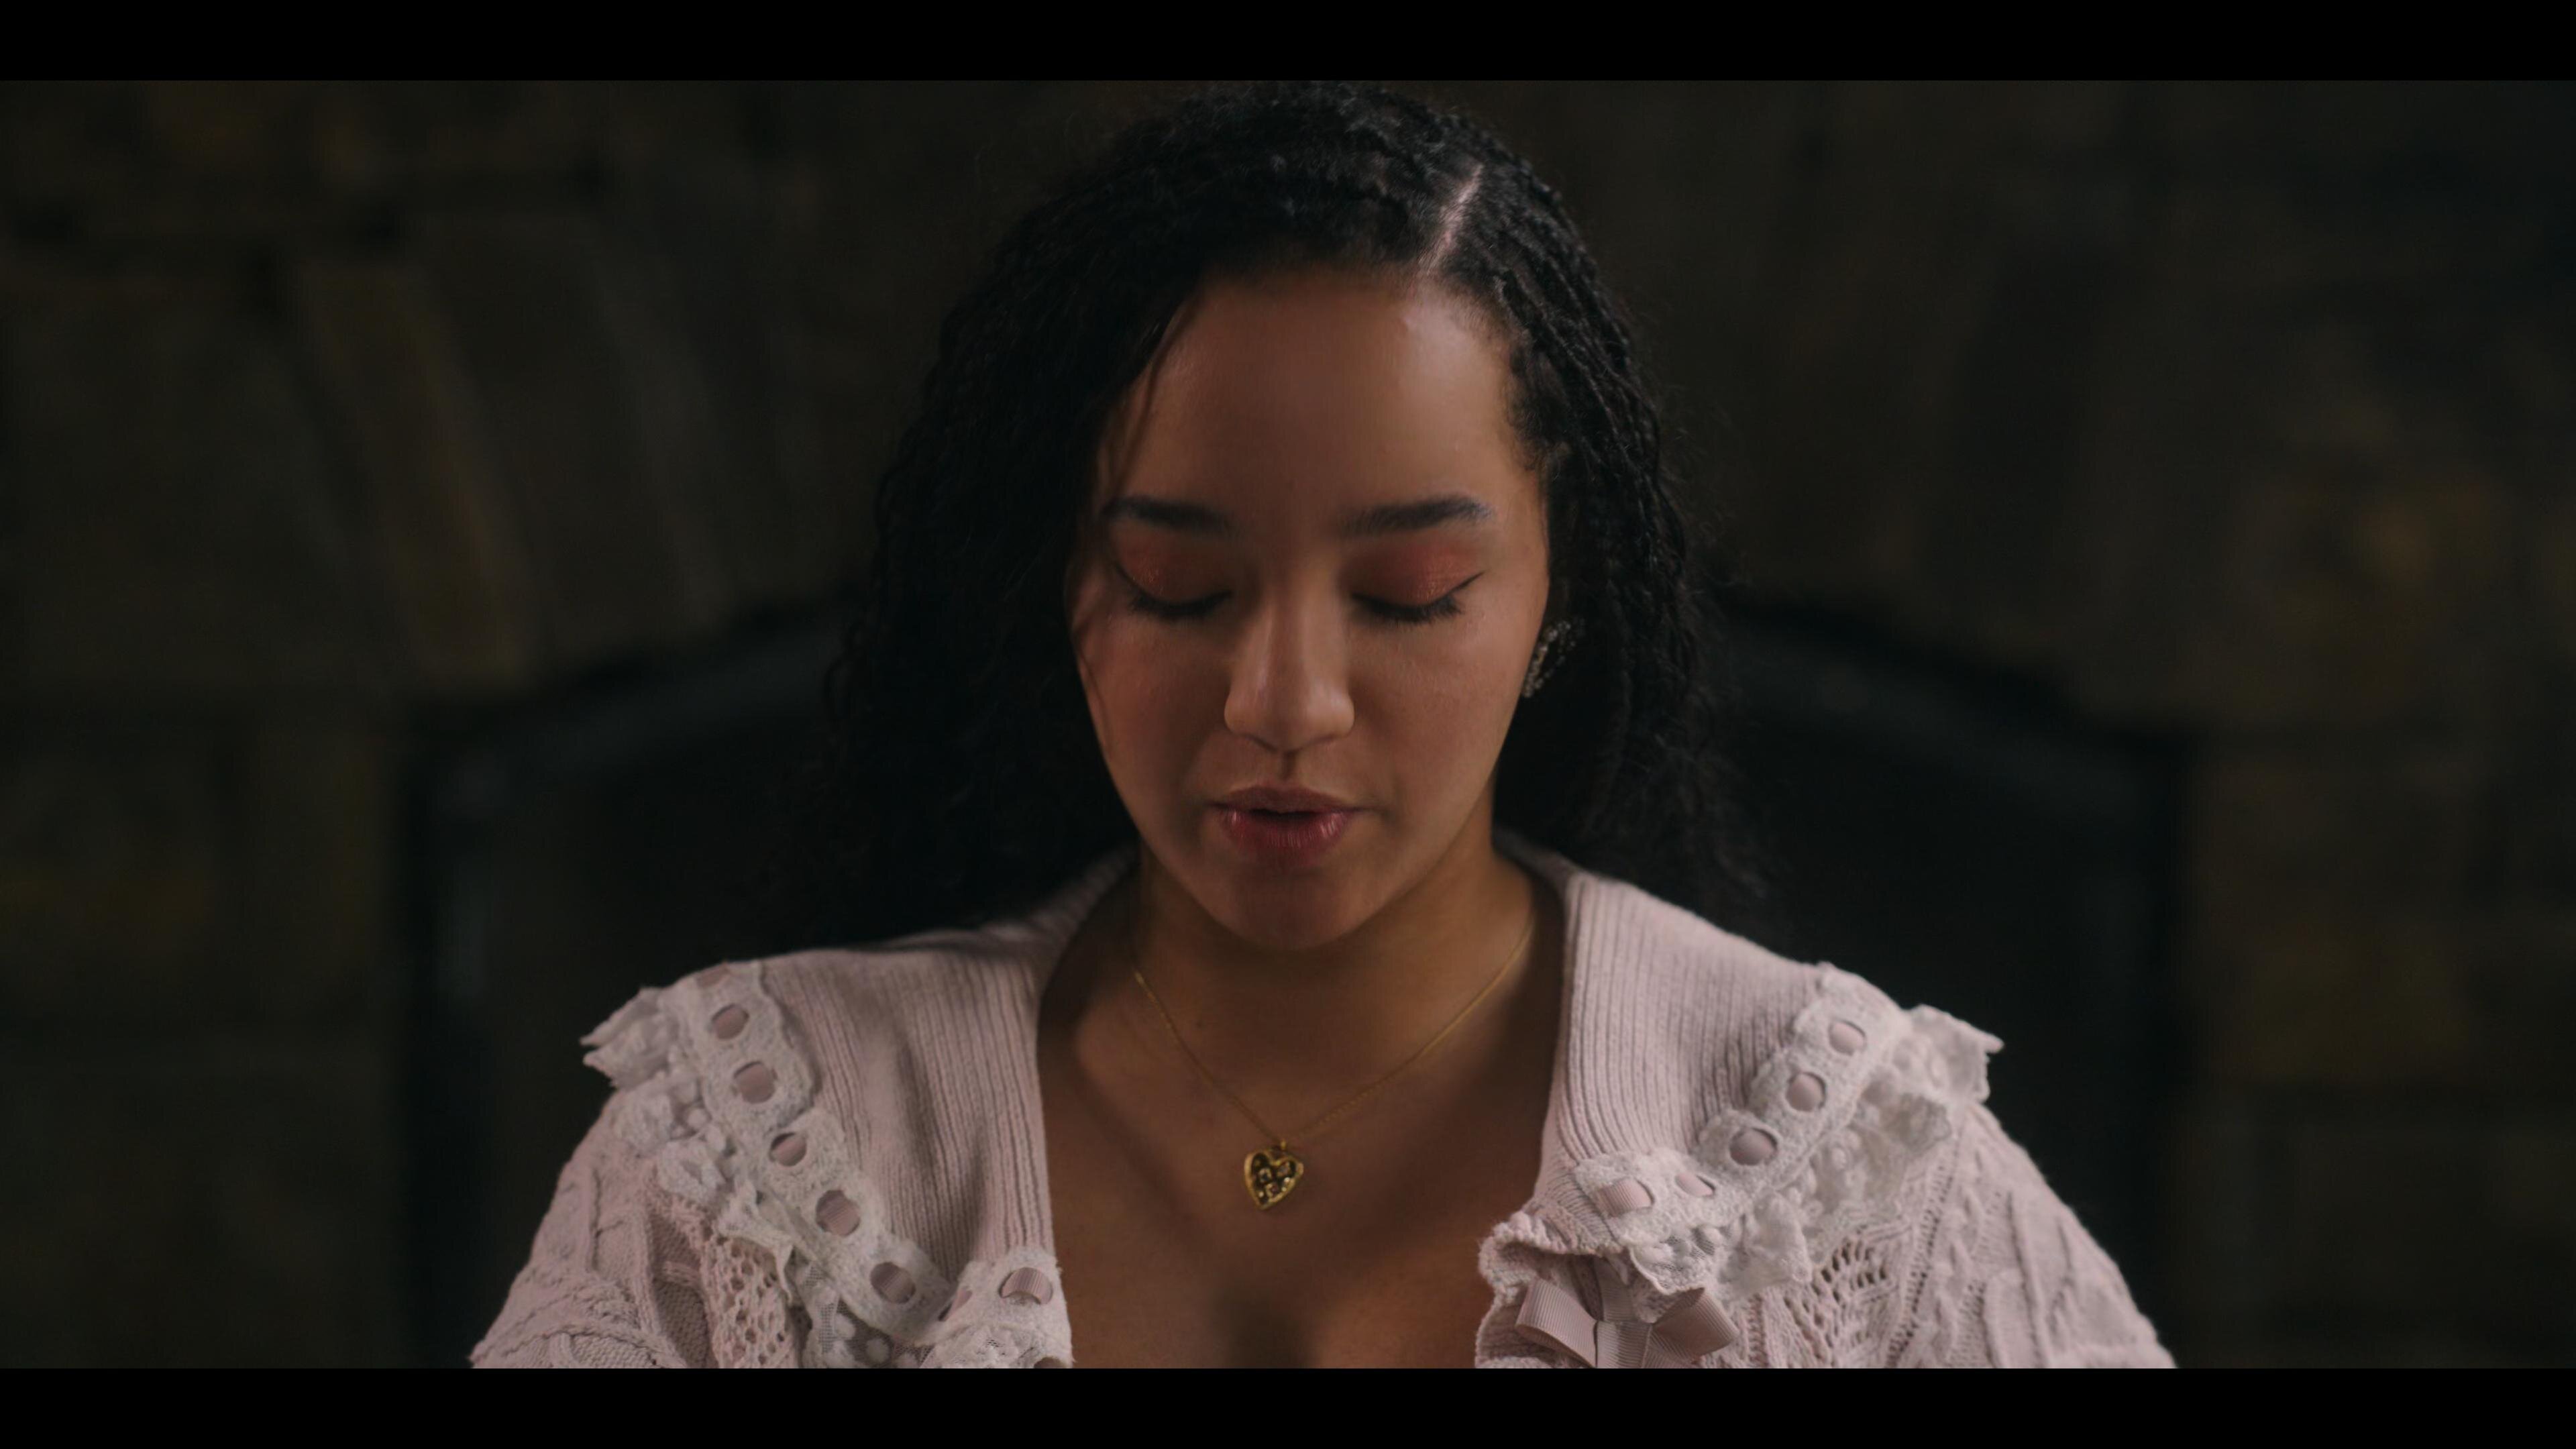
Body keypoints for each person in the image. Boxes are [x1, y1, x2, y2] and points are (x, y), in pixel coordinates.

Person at [470, 80, 2174, 1368]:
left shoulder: (1832, 1175)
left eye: (1411, 594)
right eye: (1177, 587)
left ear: (1557, 596)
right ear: (1056, 578)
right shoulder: (754, 1168)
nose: (1284, 702)